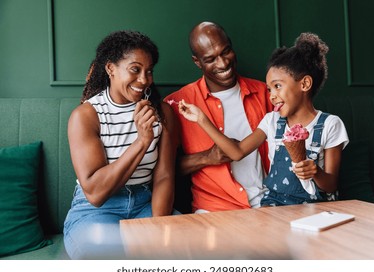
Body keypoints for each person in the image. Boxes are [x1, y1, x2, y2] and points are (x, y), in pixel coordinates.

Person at [178, 32, 349, 206]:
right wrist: (202, 119)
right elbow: (237, 152)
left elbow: (330, 185)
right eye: (269, 89)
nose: (272, 96)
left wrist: (315, 172)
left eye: (277, 86)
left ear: (304, 84)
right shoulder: (271, 121)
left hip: (313, 209)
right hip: (273, 207)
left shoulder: (330, 125)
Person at [63, 30, 177, 259]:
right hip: (94, 211)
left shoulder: (162, 112)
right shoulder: (86, 116)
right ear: (110, 68)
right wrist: (142, 141)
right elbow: (96, 193)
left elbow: (164, 176)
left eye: (149, 71)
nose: (144, 79)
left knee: (182, 250)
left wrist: (157, 229)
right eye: (135, 69)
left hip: (146, 203)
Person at [164, 22, 273, 213]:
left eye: (226, 52)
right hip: (214, 210)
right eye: (210, 59)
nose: (223, 63)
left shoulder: (265, 93)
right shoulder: (177, 104)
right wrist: (207, 158)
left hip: (267, 203)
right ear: (197, 62)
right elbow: (162, 169)